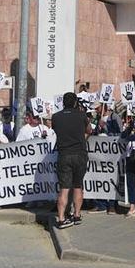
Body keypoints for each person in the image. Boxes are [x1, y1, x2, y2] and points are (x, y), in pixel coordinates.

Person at [51, 92, 90, 229]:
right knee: (78, 185)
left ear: (63, 103)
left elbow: (56, 131)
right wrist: (82, 140)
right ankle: (77, 215)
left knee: (64, 188)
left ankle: (61, 218)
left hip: (64, 154)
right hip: (79, 153)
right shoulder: (81, 115)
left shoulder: (56, 117)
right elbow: (89, 130)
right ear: (75, 103)